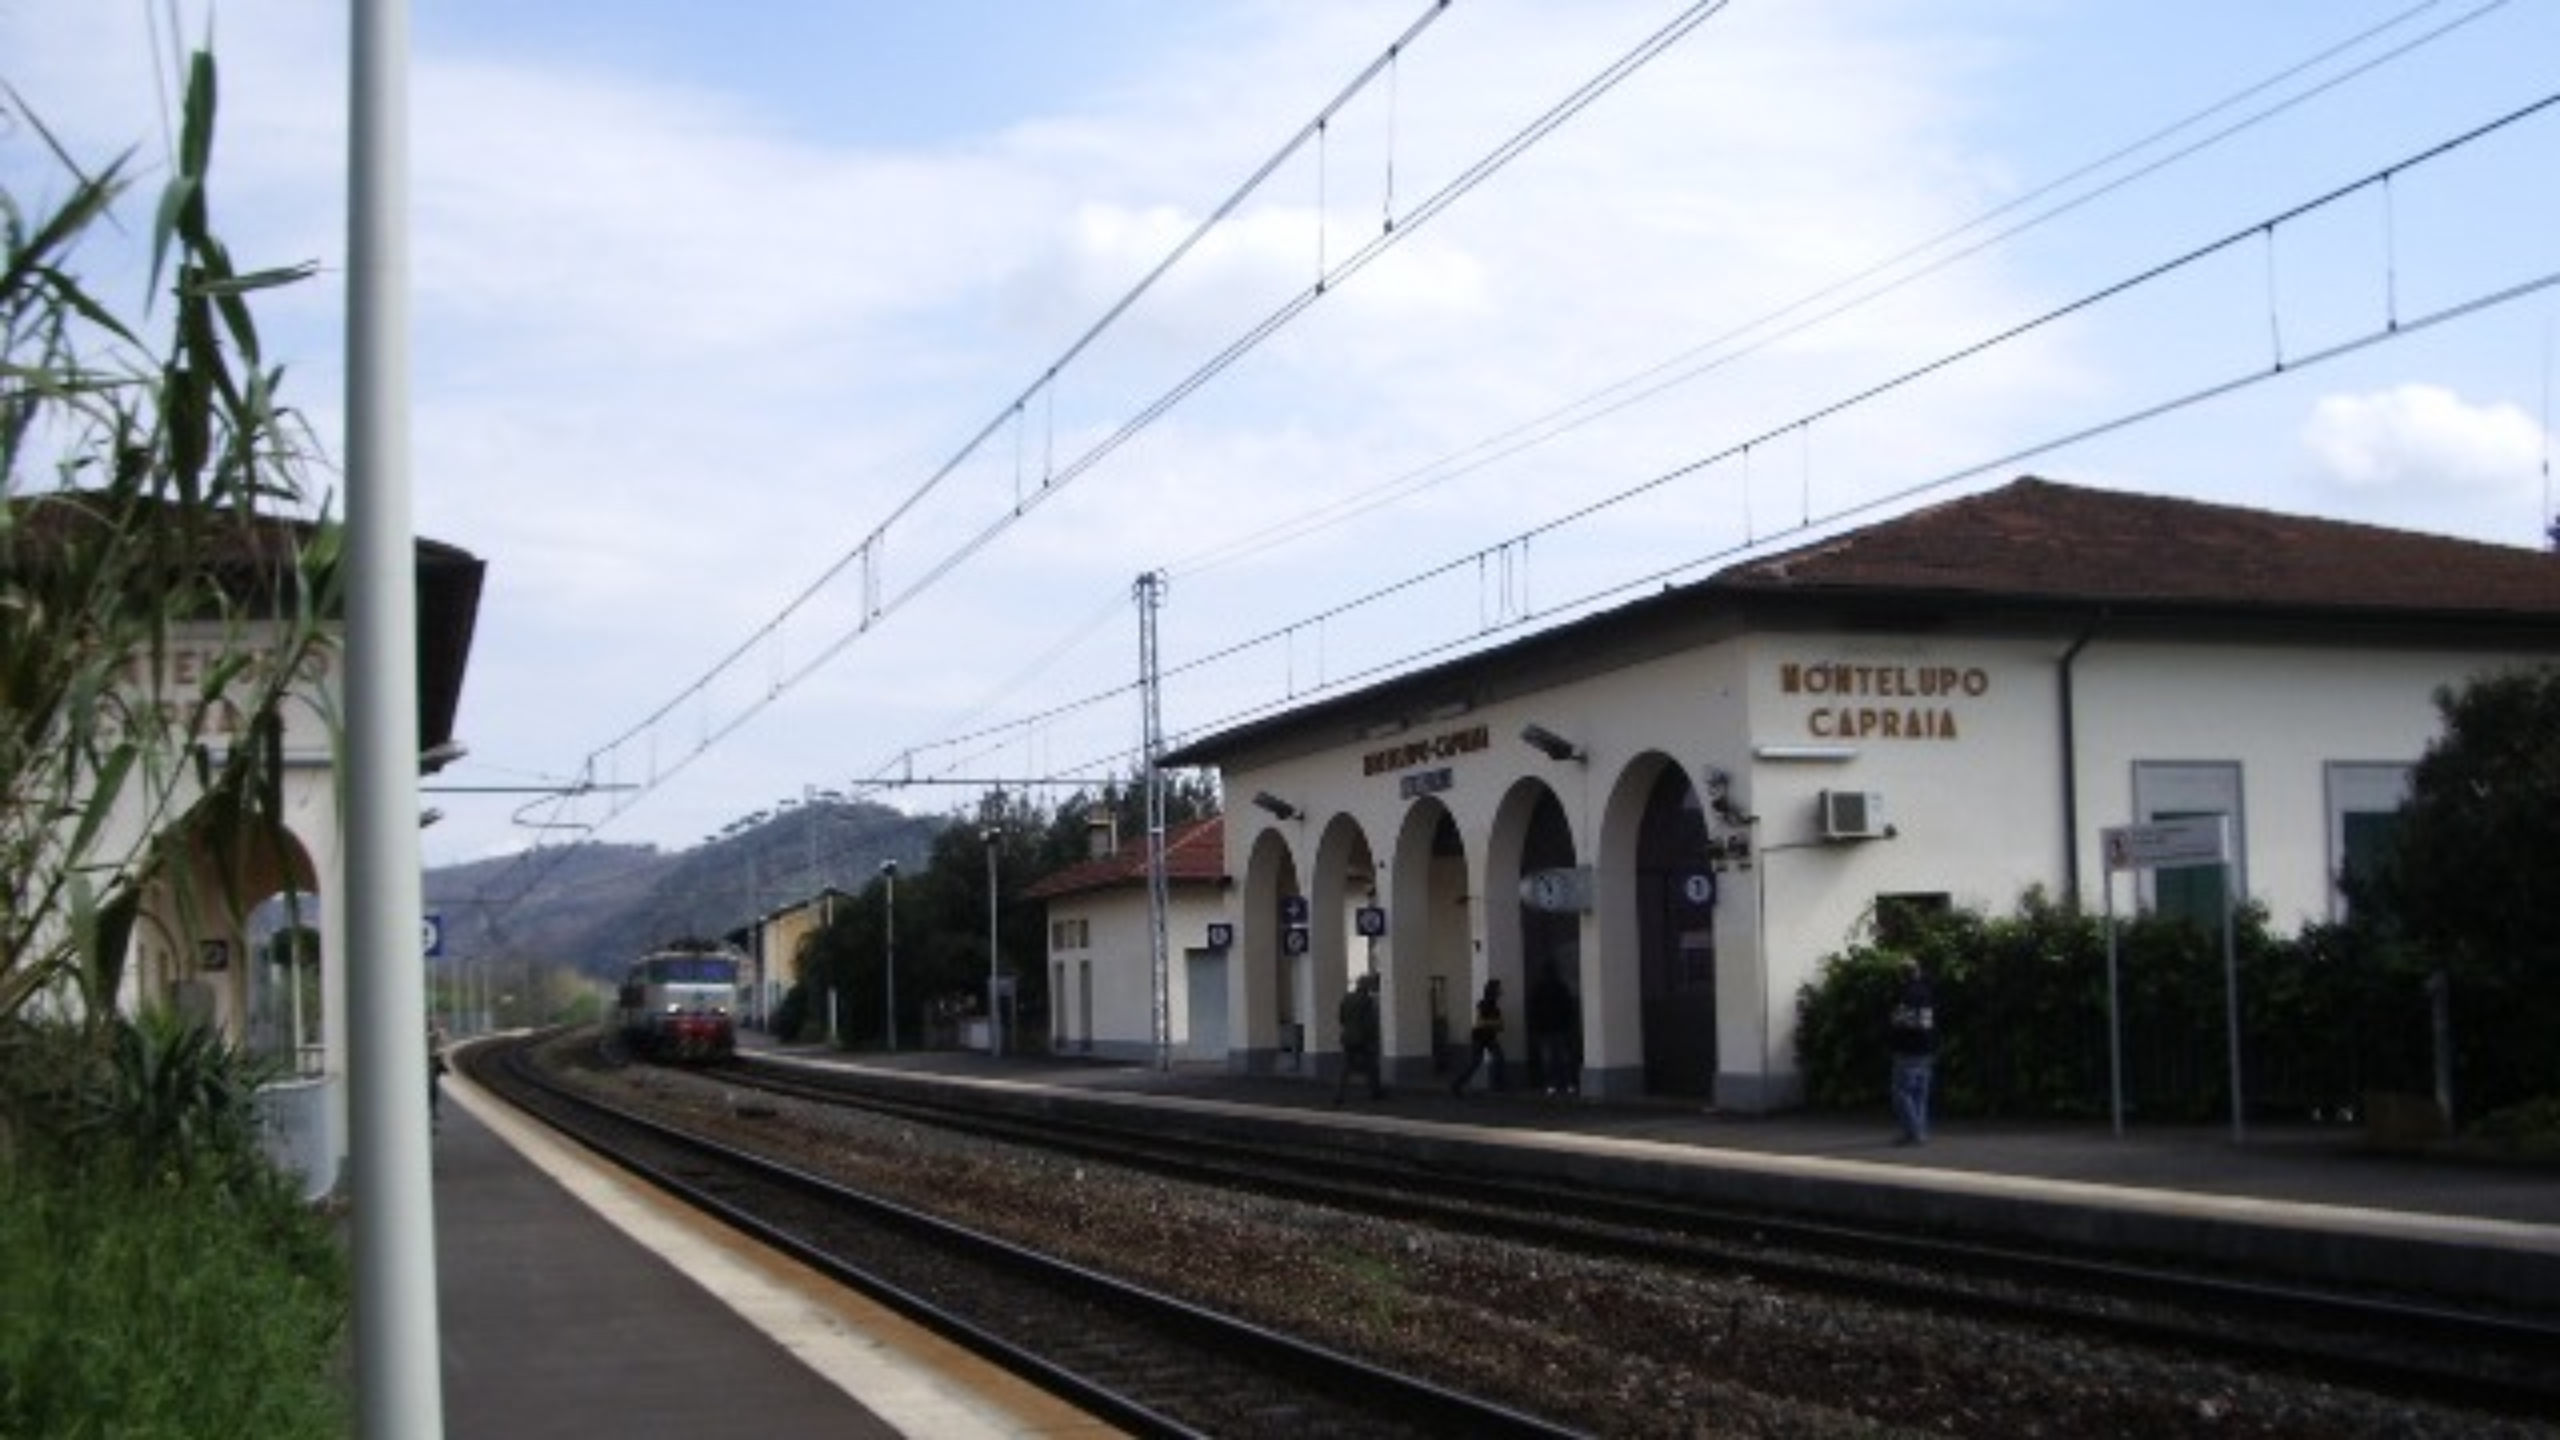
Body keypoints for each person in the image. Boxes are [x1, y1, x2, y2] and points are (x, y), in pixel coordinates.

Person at [1887, 959, 1937, 1145]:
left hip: (1908, 1048)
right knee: (1920, 1094)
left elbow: (1900, 1021)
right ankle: (1919, 1130)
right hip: (1927, 1047)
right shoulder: (1927, 992)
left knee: (1901, 1092)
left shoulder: (1906, 994)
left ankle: (1914, 1133)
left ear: (1903, 974)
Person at [1527, 962, 1579, 1096]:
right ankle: (1569, 1084)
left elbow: (1533, 1011)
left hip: (1545, 1029)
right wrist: (1570, 1025)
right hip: (1560, 1028)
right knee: (1564, 1058)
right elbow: (1569, 1007)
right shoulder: (1561, 987)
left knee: (1548, 1060)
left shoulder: (1539, 989)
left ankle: (1552, 1085)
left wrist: (1535, 1029)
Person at [1333, 972, 1384, 1105]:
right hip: (1363, 1038)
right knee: (1372, 1065)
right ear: (1367, 986)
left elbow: (1341, 1018)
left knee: (1345, 1067)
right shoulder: (1366, 1000)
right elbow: (1369, 1022)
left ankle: (1339, 1094)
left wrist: (1349, 1028)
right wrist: (1374, 1037)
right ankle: (1375, 1092)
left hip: (1348, 1037)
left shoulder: (1347, 998)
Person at [1449, 978, 1507, 1095]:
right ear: (1493, 991)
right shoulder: (1485, 1004)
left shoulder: (1493, 1005)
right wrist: (1494, 1023)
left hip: (1488, 1037)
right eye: (1498, 989)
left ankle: (1498, 1085)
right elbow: (1483, 1022)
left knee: (1498, 1058)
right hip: (1480, 1038)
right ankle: (1456, 1084)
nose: (1500, 991)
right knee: (1476, 1062)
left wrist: (1494, 1023)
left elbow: (1499, 1025)